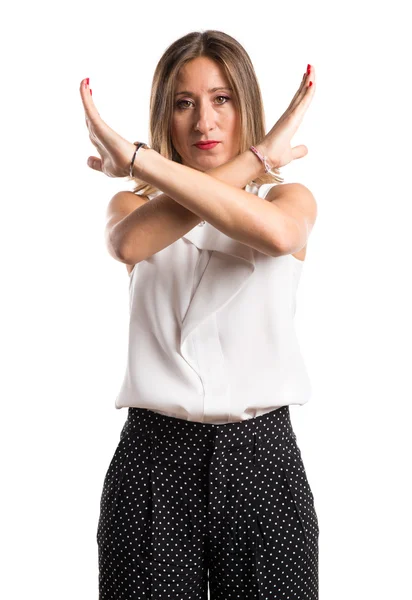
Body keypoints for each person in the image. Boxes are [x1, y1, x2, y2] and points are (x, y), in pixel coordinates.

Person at [80, 29, 318, 600]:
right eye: (184, 103)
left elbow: (279, 235)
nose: (203, 122)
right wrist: (258, 155)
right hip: (154, 461)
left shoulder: (291, 200)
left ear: (245, 106)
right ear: (167, 115)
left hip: (262, 461)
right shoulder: (129, 207)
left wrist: (138, 157)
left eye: (222, 99)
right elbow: (132, 245)